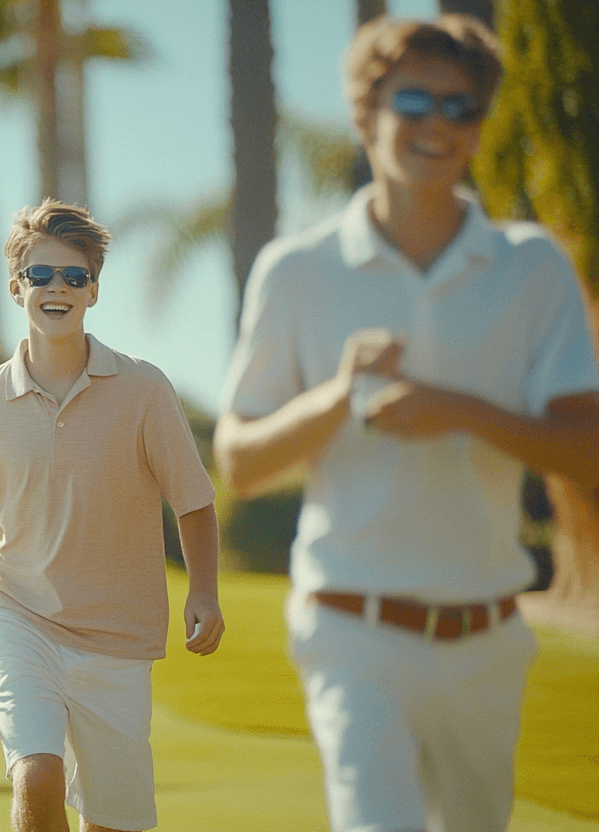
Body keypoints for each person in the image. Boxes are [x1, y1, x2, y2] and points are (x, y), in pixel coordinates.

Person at [214, 15, 599, 832]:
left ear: (480, 125)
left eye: (461, 108)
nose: (437, 124)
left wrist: (456, 411)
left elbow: (587, 449)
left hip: (489, 634)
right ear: (365, 114)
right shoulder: (297, 270)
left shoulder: (532, 266)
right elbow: (239, 462)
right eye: (413, 100)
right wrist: (338, 396)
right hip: (351, 632)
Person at [0, 199, 224, 832]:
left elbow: (192, 498)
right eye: (42, 275)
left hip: (118, 640)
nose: (57, 289)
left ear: (94, 290)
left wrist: (206, 591)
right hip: (22, 621)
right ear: (16, 286)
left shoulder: (143, 389)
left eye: (74, 277)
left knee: (114, 822)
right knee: (37, 774)